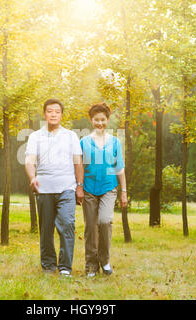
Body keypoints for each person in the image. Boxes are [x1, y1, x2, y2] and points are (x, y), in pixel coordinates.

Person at [25, 98, 84, 277]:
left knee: (67, 223)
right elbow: (29, 160)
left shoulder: (71, 136)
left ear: (61, 115)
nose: (53, 114)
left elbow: (78, 162)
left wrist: (79, 186)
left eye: (57, 111)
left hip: (67, 188)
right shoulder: (35, 136)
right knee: (46, 228)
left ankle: (65, 267)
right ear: (44, 114)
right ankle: (49, 266)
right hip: (44, 189)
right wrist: (32, 177)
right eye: (50, 111)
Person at [80, 102, 128, 277]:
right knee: (90, 227)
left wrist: (124, 191)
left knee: (105, 221)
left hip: (109, 188)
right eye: (96, 120)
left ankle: (105, 261)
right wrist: (78, 187)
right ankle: (91, 265)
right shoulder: (84, 142)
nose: (100, 123)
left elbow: (120, 168)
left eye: (103, 119)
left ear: (107, 120)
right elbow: (80, 167)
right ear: (91, 121)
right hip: (89, 189)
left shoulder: (115, 142)